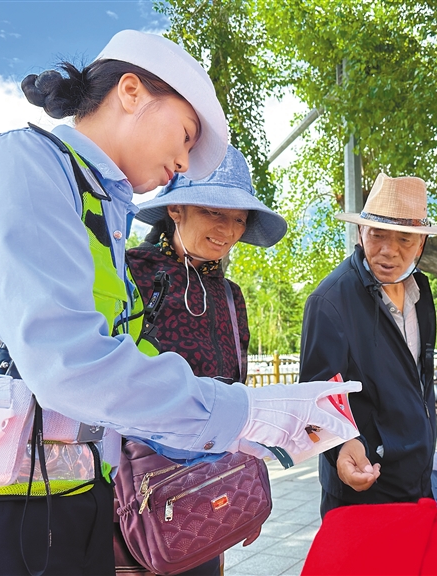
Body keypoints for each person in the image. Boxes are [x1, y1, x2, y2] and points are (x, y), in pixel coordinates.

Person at [0, 30, 358, 575]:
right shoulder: (24, 163)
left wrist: (239, 455)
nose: (185, 160)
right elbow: (68, 362)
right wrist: (247, 414)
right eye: (186, 133)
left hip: (75, 497)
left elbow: (131, 365)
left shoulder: (98, 210)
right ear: (131, 91)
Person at [117, 145, 288, 575]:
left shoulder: (232, 297)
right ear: (176, 208)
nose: (227, 229)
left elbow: (234, 385)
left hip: (208, 486)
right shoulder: (130, 273)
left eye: (238, 218)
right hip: (139, 480)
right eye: (215, 211)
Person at [299, 173, 437, 517]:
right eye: (377, 234)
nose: (389, 250)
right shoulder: (330, 300)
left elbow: (418, 377)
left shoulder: (421, 294)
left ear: (422, 244)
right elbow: (316, 397)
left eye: (405, 239)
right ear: (360, 233)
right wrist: (340, 449)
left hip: (418, 480)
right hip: (363, 486)